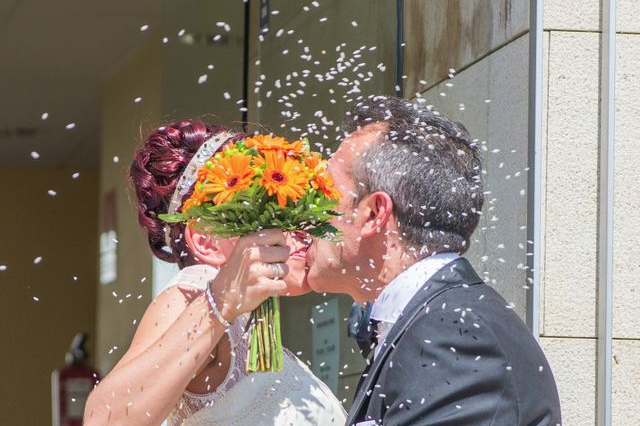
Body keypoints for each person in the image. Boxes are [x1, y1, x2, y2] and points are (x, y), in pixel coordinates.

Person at [306, 96, 562, 425]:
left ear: (373, 214)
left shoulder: (452, 335)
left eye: (323, 195)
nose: (307, 218)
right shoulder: (432, 321)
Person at [83, 120, 346, 425]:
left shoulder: (241, 320)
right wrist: (221, 298)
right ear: (206, 241)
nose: (300, 233)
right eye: (265, 213)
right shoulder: (196, 289)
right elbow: (104, 419)